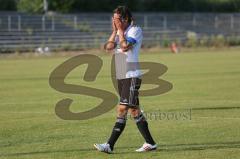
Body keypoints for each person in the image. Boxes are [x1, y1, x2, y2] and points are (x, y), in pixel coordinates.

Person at [94, 6, 157, 153]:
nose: (114, 21)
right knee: (134, 111)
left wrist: (120, 31)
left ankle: (109, 145)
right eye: (113, 18)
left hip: (131, 75)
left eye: (116, 19)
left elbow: (125, 46)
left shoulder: (135, 30)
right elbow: (108, 47)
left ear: (125, 19)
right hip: (121, 74)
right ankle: (150, 143)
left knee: (122, 108)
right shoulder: (119, 32)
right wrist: (115, 31)